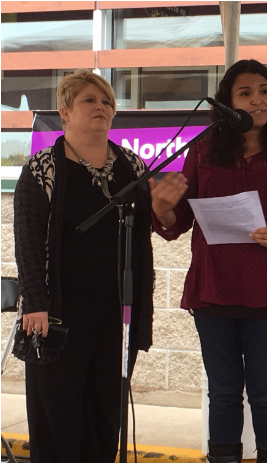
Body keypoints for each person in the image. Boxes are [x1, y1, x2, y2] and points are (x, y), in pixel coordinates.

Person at [148, 59, 267, 463]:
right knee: (224, 391)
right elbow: (178, 222)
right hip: (215, 285)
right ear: (227, 103)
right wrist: (161, 208)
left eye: (264, 91)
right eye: (245, 92)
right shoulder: (204, 150)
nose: (256, 99)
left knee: (266, 391)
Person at [13, 69, 154, 463]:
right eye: (89, 100)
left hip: (116, 313)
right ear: (65, 112)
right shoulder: (43, 169)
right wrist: (36, 304)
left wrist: (166, 204)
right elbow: (27, 242)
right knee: (58, 415)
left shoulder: (133, 166)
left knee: (105, 414)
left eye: (107, 101)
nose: (101, 107)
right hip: (58, 314)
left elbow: (149, 234)